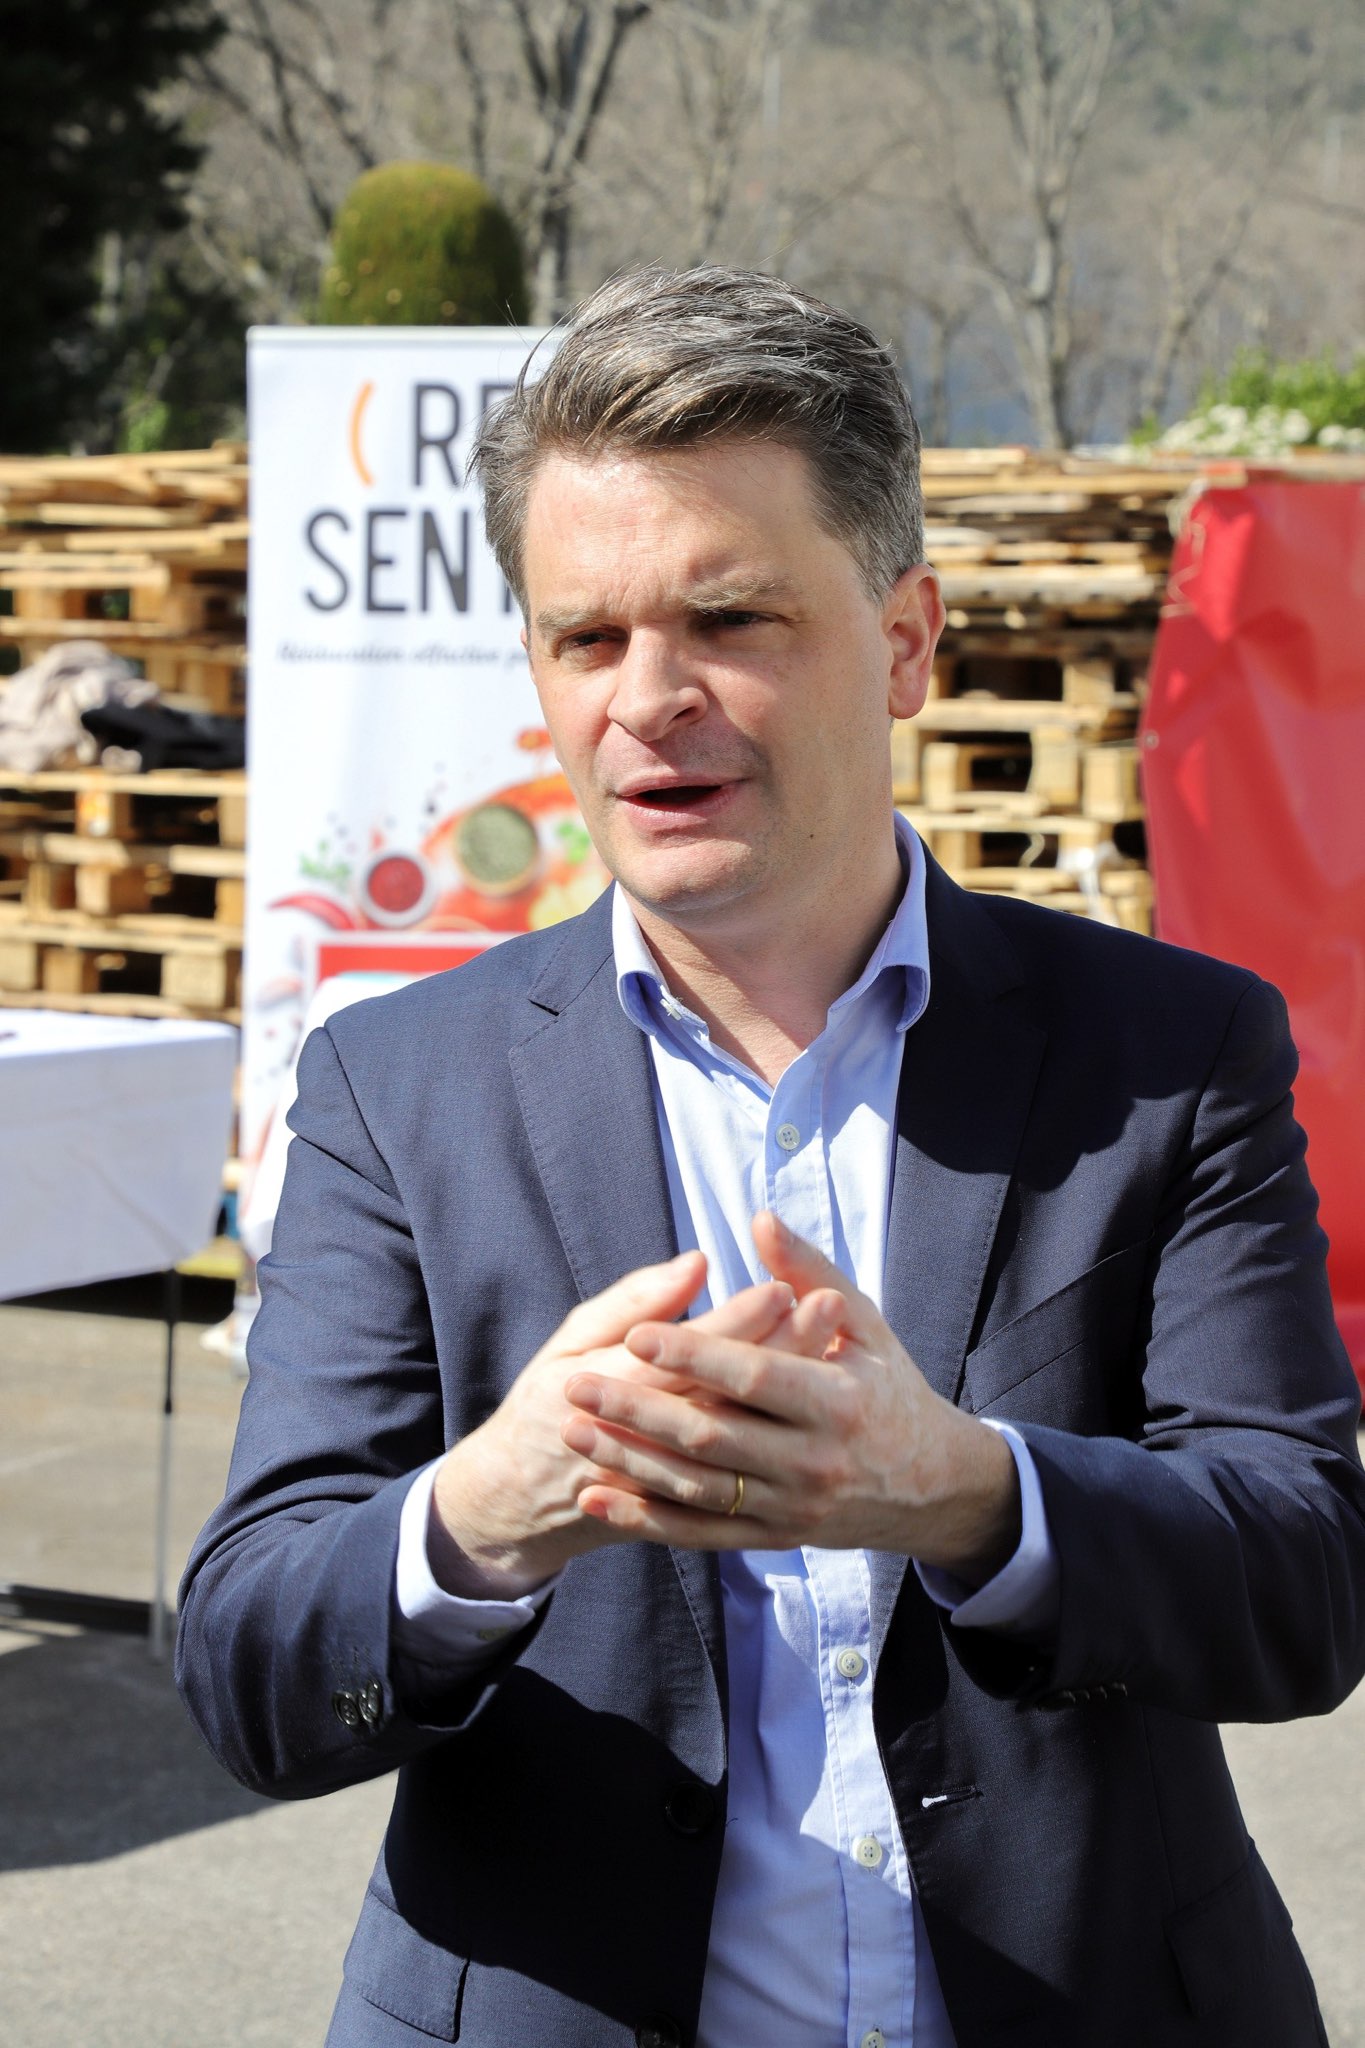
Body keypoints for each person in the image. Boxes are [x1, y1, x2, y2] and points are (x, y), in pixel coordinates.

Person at [178, 266, 1365, 2048]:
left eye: (726, 618)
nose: (646, 698)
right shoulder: (391, 1087)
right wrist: (483, 1516)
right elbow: (251, 1667)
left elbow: (1302, 1585)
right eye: (586, 637)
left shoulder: (1164, 1054)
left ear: (903, 641)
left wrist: (971, 1494)